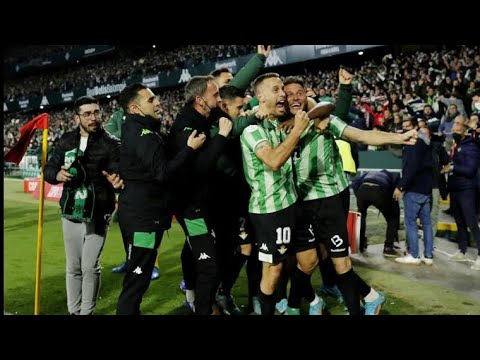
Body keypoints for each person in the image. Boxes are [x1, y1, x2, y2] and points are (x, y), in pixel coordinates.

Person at [115, 84, 205, 315]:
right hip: (142, 219)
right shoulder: (142, 134)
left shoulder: (145, 130)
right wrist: (189, 149)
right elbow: (163, 173)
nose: (157, 102)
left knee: (140, 277)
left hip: (147, 216)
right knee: (137, 279)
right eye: (151, 100)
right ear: (135, 108)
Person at [240, 73, 311, 315]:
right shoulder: (252, 129)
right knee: (273, 270)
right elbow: (273, 160)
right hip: (270, 211)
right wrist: (297, 130)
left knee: (302, 262)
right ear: (260, 96)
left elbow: (321, 106)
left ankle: (291, 304)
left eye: (283, 89)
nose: (282, 94)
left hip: (291, 205)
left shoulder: (277, 123)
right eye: (276, 89)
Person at [44, 95, 122, 315]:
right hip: (70, 211)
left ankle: (86, 312)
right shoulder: (66, 140)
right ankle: (73, 311)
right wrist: (56, 174)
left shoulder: (111, 143)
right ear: (76, 118)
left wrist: (117, 179)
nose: (93, 117)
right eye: (87, 114)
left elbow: (118, 171)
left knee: (90, 266)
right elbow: (49, 168)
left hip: (99, 212)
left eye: (96, 112)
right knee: (74, 267)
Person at [169, 75, 233, 315]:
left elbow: (230, 107)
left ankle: (200, 300)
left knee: (205, 256)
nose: (218, 100)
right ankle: (203, 308)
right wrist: (222, 136)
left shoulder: (205, 115)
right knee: (209, 266)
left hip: (204, 204)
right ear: (199, 100)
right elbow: (200, 167)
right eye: (214, 95)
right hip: (190, 208)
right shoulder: (184, 126)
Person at [106, 107, 161, 281]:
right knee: (128, 228)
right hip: (127, 178)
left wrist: (128, 134)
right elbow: (111, 133)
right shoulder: (116, 115)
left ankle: (153, 265)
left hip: (145, 183)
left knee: (146, 230)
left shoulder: (145, 116)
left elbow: (126, 135)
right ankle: (130, 261)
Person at [394, 118, 434, 265]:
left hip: (415, 189)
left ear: (415, 127)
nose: (405, 129)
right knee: (427, 224)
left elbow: (411, 168)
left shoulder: (413, 145)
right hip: (426, 189)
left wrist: (400, 186)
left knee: (410, 223)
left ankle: (414, 255)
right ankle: (428, 256)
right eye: (403, 127)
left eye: (408, 126)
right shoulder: (424, 144)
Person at [442, 122, 480, 270]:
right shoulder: (456, 146)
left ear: (464, 132)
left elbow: (470, 169)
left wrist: (452, 167)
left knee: (471, 223)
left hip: (466, 189)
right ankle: (462, 250)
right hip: (455, 188)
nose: (453, 132)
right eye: (453, 130)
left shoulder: (472, 147)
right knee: (459, 222)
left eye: (457, 130)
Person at [351, 170, 401, 256]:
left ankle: (361, 244)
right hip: (379, 190)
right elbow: (394, 203)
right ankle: (388, 247)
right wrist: (395, 229)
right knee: (392, 218)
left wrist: (359, 198)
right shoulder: (391, 178)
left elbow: (354, 184)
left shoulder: (368, 173)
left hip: (363, 190)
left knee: (361, 216)